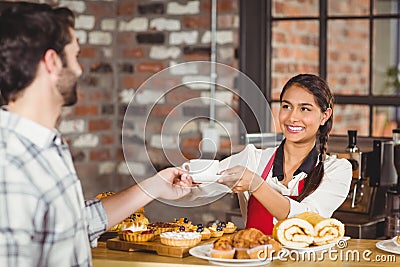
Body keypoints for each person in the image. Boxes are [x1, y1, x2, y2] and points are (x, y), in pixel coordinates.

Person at [0, 2, 192, 266]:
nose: (79, 69)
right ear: (52, 62)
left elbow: (75, 225)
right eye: (75, 55)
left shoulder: (44, 145)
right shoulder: (9, 167)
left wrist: (154, 186)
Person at [217, 74, 352, 235]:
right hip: (254, 258)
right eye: (286, 106)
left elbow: (306, 220)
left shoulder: (336, 170)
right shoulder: (254, 159)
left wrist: (257, 185)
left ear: (325, 115)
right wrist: (183, 178)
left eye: (304, 109)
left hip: (305, 261)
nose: (292, 117)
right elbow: (206, 180)